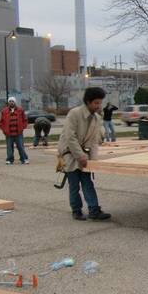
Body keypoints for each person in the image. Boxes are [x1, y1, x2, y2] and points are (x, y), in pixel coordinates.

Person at [57, 87, 111, 221]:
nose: (99, 106)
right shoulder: (74, 114)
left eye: (100, 103)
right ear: (88, 102)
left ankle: (94, 210)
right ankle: (76, 210)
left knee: (87, 182)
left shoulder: (97, 118)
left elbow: (94, 141)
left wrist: (93, 161)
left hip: (85, 156)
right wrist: (79, 155)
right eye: (96, 103)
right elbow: (70, 137)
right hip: (70, 153)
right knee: (74, 184)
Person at [0, 96, 29, 165]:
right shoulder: (4, 111)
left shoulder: (20, 110)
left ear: (15, 102)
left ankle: (24, 158)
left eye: (12, 101)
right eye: (10, 101)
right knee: (9, 147)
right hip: (9, 134)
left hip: (18, 133)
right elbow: (1, 122)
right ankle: (9, 159)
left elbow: (25, 120)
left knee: (21, 146)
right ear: (8, 102)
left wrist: (22, 127)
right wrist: (4, 130)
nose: (11, 103)